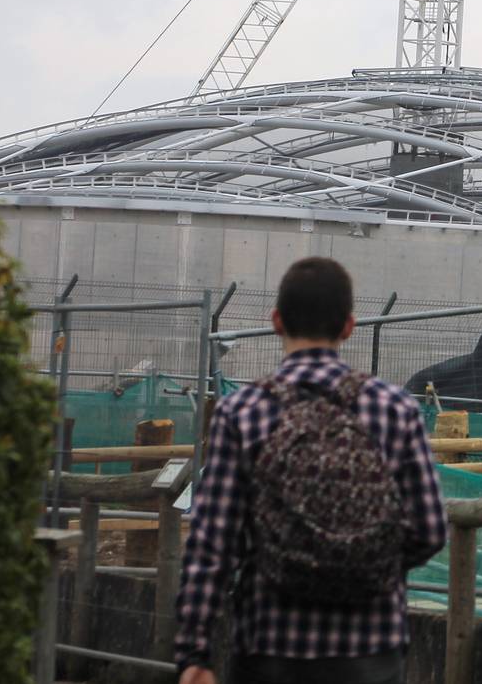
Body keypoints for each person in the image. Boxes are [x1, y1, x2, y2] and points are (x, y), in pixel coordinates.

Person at [175, 257, 447, 684]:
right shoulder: (395, 408)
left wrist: (194, 652)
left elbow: (212, 545)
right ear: (349, 327)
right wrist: (365, 567)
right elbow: (430, 529)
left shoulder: (241, 412)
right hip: (371, 648)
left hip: (270, 645)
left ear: (277, 321)